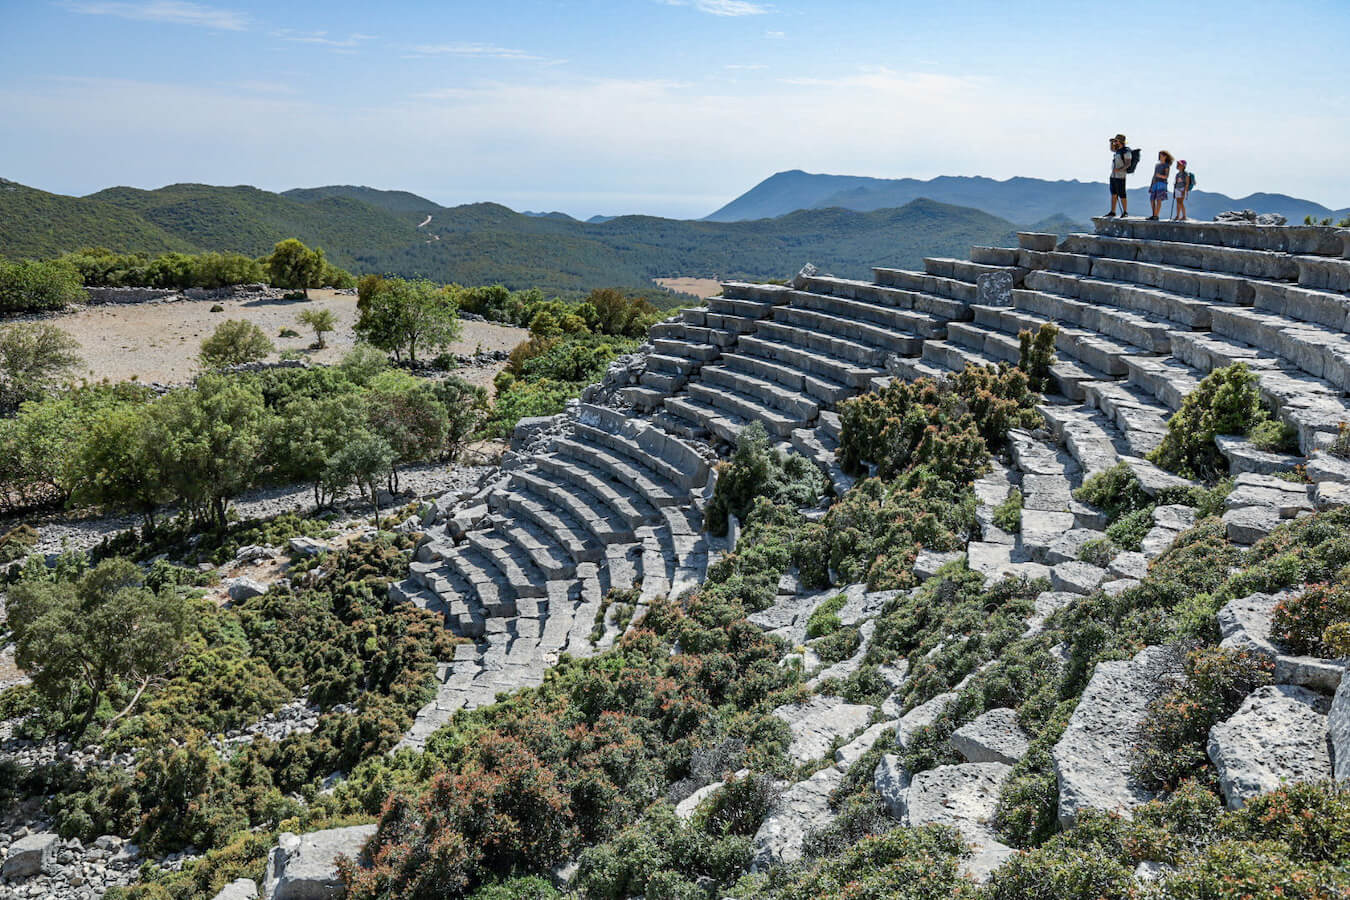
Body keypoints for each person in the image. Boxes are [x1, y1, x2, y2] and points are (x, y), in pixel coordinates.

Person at [1105, 134, 1132, 218]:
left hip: (1120, 176)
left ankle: (1125, 211)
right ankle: (1113, 211)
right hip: (1113, 175)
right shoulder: (1118, 150)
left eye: (1116, 141)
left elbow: (1128, 164)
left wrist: (1120, 169)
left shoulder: (1126, 151)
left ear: (1120, 142)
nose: (1115, 142)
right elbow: (1111, 149)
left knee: (1122, 194)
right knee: (1114, 193)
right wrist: (1111, 143)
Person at [1148, 150, 1174, 220]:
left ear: (1166, 156)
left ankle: (1156, 215)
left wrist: (1159, 176)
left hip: (1161, 184)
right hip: (1154, 183)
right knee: (1152, 199)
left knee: (1158, 200)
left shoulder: (1166, 165)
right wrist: (1151, 185)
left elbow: (1166, 176)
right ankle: (1153, 214)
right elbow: (1154, 175)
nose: (1160, 157)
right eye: (1160, 155)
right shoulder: (1157, 165)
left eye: (1162, 155)